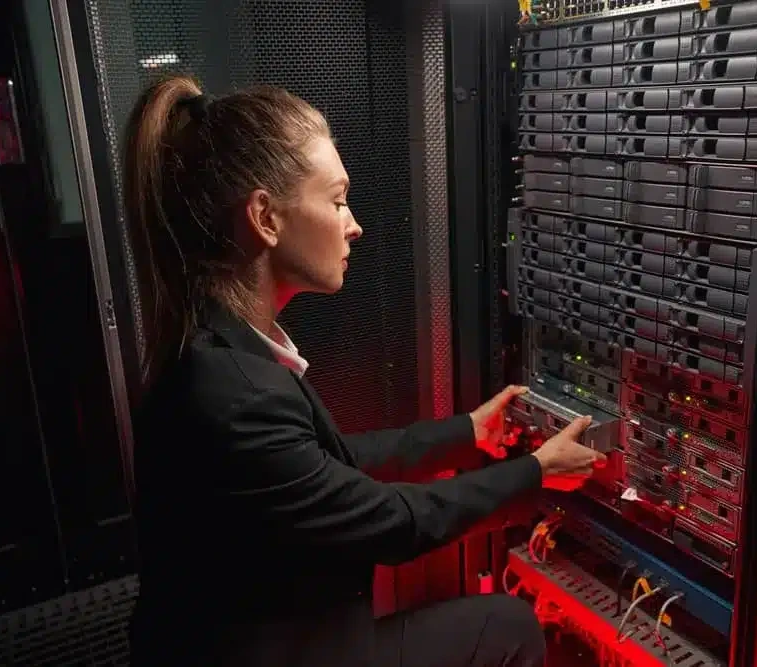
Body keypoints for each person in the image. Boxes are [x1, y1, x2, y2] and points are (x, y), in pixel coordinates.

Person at [125, 75, 606, 667]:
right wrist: (537, 471)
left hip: (259, 639)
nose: (354, 224)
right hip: (281, 652)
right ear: (265, 218)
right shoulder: (232, 391)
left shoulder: (220, 349)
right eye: (336, 199)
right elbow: (394, 524)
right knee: (507, 625)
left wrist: (467, 433)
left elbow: (329, 465)